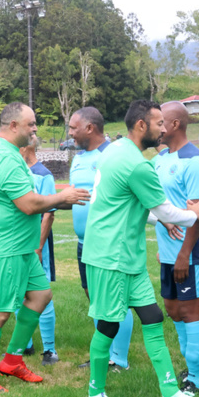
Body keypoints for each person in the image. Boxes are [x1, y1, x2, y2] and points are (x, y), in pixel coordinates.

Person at [82, 99, 199, 397]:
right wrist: (191, 214)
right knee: (108, 325)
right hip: (110, 257)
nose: (162, 128)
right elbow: (164, 208)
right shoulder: (137, 164)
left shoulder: (116, 150)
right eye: (158, 123)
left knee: (153, 317)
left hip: (127, 258)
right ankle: (95, 394)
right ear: (141, 125)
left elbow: (131, 203)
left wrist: (164, 220)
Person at [0, 103, 91, 392]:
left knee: (40, 295)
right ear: (13, 126)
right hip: (4, 246)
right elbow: (27, 204)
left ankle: (11, 361)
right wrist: (62, 196)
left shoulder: (1, 152)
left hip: (20, 245)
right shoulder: (3, 157)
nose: (36, 128)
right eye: (31, 124)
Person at [153, 102, 199, 394]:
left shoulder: (194, 162)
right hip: (168, 252)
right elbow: (163, 206)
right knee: (173, 310)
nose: (156, 126)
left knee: (190, 311)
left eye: (160, 121)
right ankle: (194, 368)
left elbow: (198, 215)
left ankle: (196, 375)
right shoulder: (162, 158)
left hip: (190, 253)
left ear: (175, 124)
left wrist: (183, 254)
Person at [68, 107, 135, 372]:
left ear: (89, 128)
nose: (70, 133)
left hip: (109, 242)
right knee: (95, 299)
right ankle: (105, 354)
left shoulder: (114, 155)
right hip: (84, 243)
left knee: (115, 300)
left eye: (73, 127)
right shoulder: (78, 159)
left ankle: (119, 359)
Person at [18, 135, 59, 365]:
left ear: (26, 148)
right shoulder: (17, 172)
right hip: (19, 241)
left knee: (41, 292)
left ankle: (50, 350)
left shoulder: (43, 175)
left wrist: (39, 245)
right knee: (19, 291)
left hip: (36, 243)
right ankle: (26, 344)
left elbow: (49, 213)